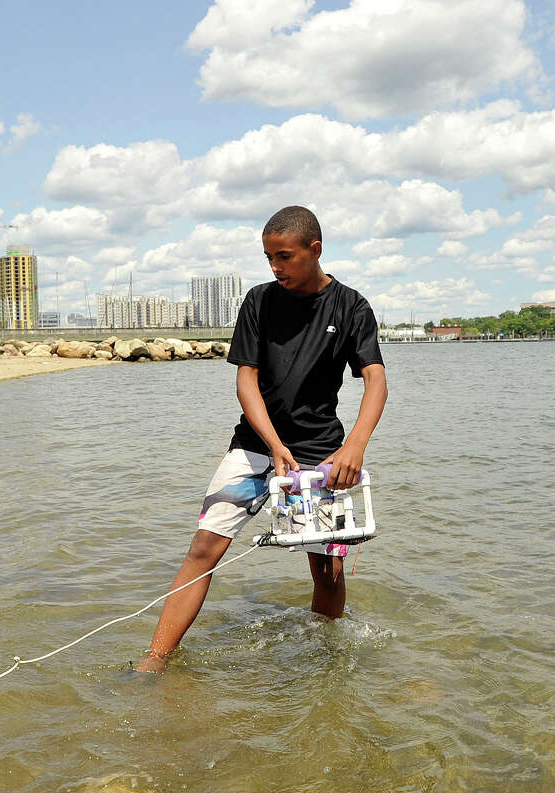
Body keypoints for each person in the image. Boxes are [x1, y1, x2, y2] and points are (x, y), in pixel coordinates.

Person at [137, 205, 388, 672]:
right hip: (254, 446)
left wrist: (354, 446)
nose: (275, 266)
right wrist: (274, 444)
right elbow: (246, 380)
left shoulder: (351, 306)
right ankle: (154, 660)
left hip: (321, 453)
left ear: (315, 249)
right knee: (203, 548)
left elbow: (376, 380)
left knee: (328, 572)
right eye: (269, 257)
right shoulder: (258, 301)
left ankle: (327, 664)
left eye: (284, 256)